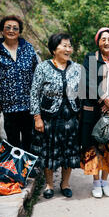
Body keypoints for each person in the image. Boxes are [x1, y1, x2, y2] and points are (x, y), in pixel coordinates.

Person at [30, 33, 81, 199]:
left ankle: (65, 184)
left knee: (69, 151)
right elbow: (34, 93)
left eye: (69, 46)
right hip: (49, 117)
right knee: (49, 152)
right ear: (53, 49)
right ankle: (49, 184)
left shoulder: (77, 68)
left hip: (71, 117)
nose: (68, 49)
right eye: (64, 46)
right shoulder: (43, 67)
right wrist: (37, 117)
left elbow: (84, 92)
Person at [80, 27, 109, 198]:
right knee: (94, 145)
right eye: (103, 39)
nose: (106, 42)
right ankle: (95, 182)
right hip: (94, 109)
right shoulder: (90, 59)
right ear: (98, 42)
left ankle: (105, 182)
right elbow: (87, 83)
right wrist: (103, 99)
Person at [0, 15, 38, 156]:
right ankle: (15, 168)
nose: (11, 30)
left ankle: (28, 168)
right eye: (8, 27)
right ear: (2, 31)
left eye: (15, 28)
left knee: (29, 137)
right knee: (12, 139)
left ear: (19, 32)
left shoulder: (28, 48)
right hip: (8, 105)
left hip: (28, 103)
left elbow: (36, 74)